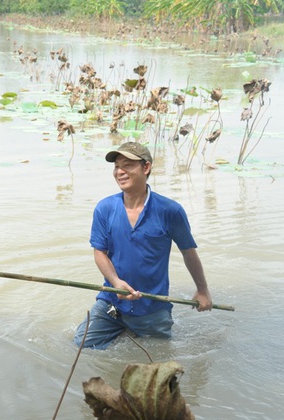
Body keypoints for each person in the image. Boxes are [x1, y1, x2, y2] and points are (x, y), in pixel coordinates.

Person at [74, 142, 212, 349]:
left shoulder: (170, 211)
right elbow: (99, 252)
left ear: (145, 168)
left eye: (127, 165)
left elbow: (188, 252)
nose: (119, 172)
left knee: (158, 358)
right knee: (81, 346)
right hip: (112, 303)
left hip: (152, 306)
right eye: (116, 167)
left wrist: (202, 290)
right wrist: (115, 281)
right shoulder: (105, 208)